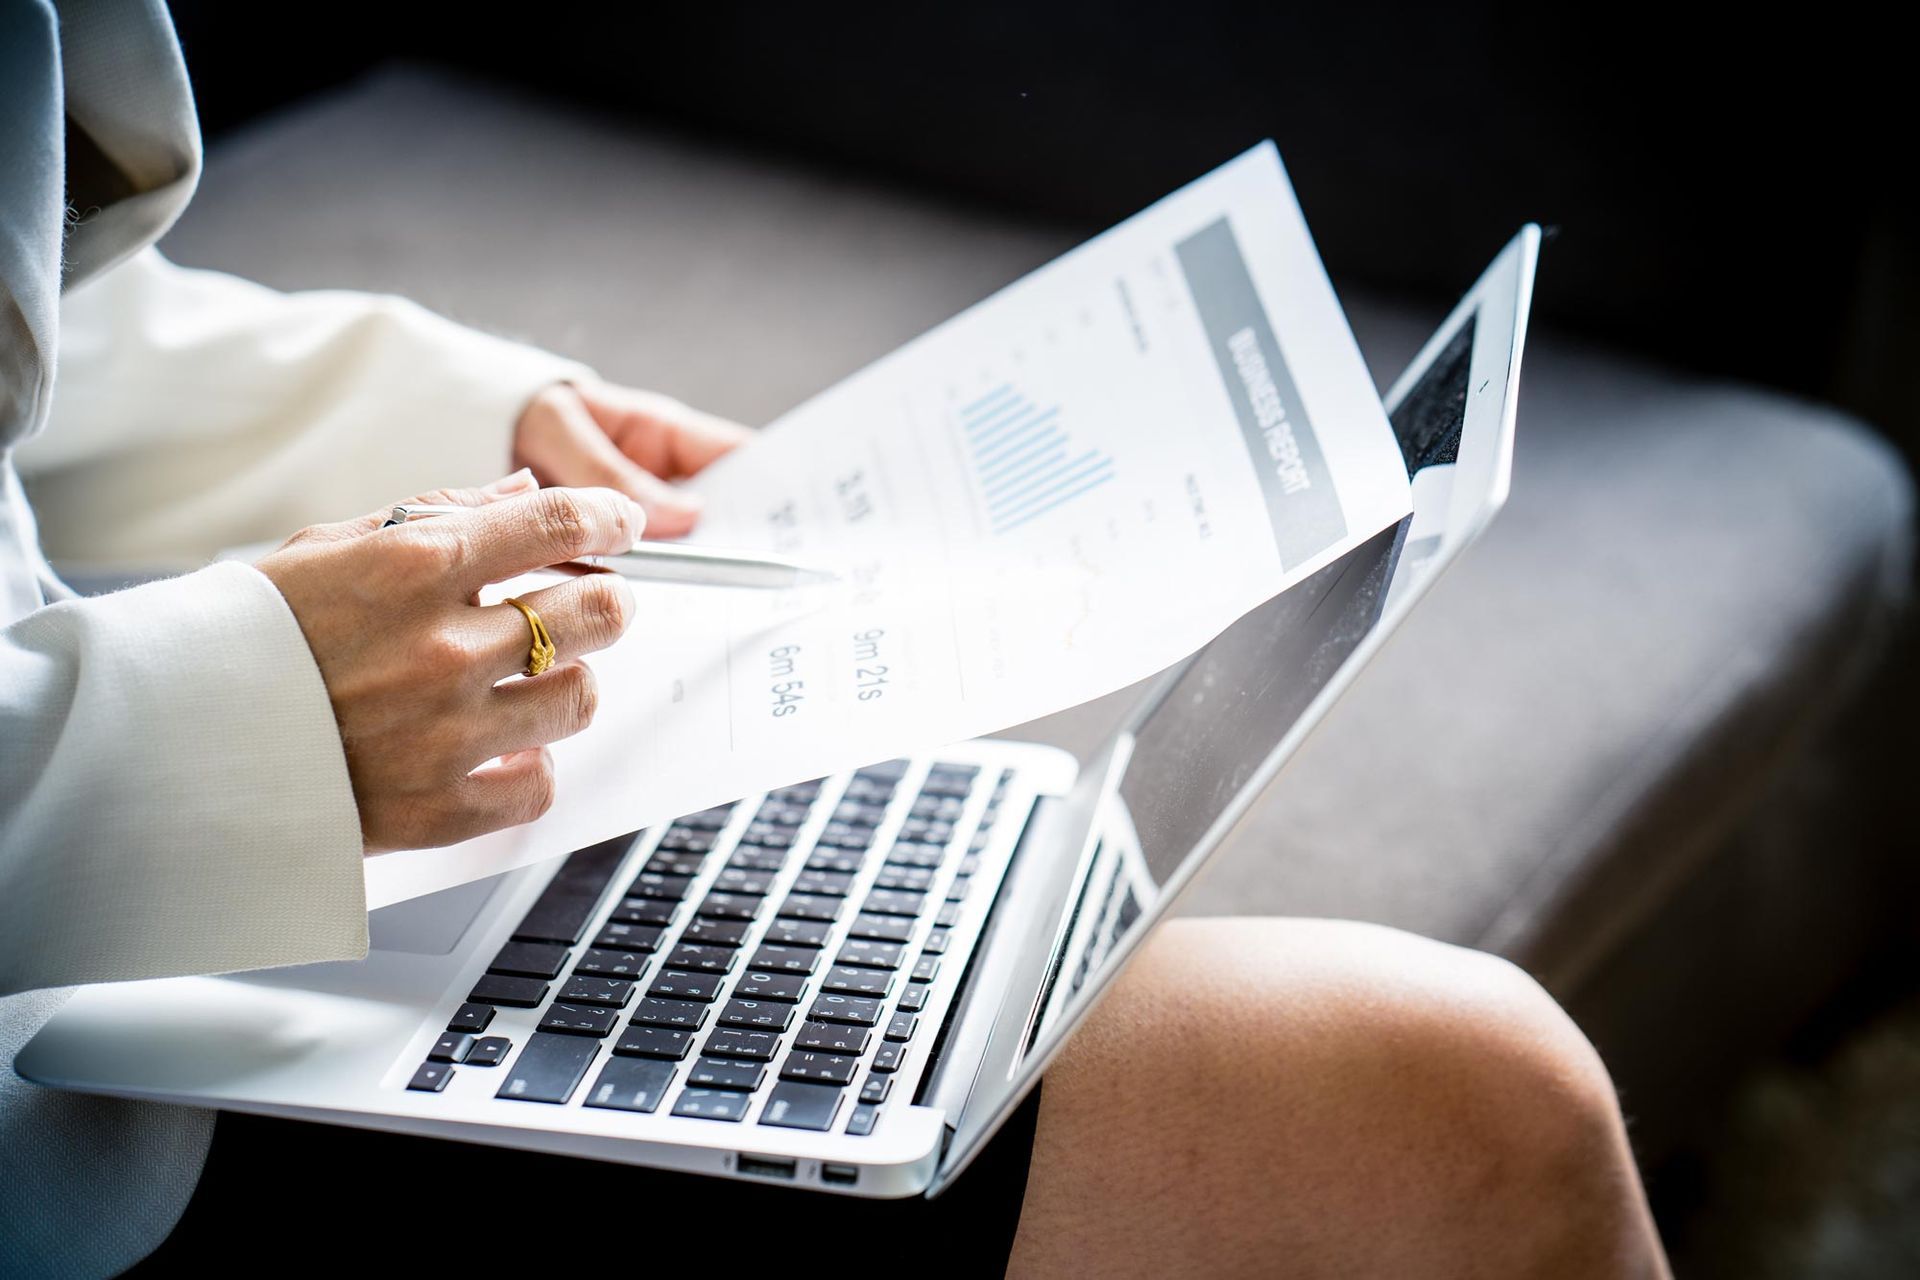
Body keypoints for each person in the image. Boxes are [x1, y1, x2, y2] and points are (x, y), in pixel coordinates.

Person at [1, 2, 1672, 1276]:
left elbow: (49, 323)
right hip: (69, 1093)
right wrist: (230, 737)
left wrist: (475, 419)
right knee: (1469, 1101)